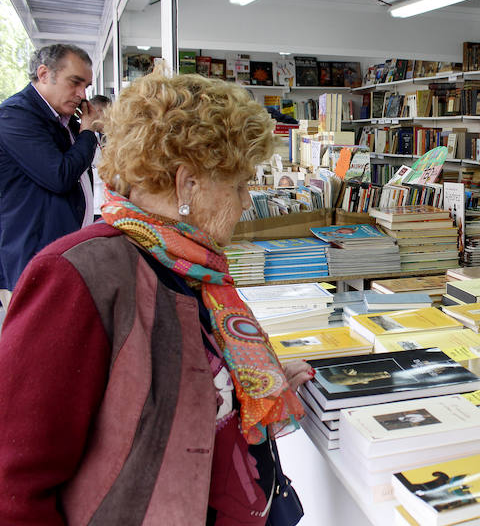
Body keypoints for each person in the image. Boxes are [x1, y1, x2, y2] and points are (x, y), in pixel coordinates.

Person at [0, 67, 312, 523]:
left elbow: (177, 378)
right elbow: (16, 482)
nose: (248, 201)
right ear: (187, 183)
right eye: (240, 184)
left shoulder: (190, 265)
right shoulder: (79, 275)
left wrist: (248, 380)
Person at [0, 44, 100, 304]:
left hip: (60, 256)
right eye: (75, 83)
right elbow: (60, 175)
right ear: (44, 74)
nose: (81, 94)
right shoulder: (15, 116)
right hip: (32, 261)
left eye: (86, 86)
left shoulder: (61, 120)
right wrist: (88, 133)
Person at [88, 94, 112, 220]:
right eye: (108, 113)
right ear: (99, 112)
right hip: (94, 205)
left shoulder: (107, 136)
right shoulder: (83, 138)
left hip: (107, 203)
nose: (110, 118)